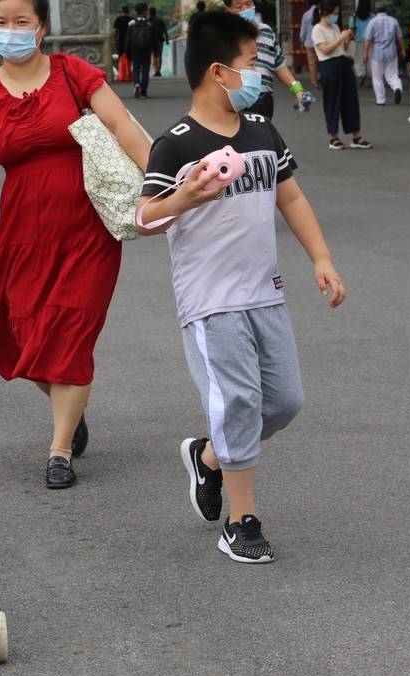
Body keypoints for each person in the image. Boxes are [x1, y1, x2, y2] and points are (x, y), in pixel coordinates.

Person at [137, 11, 346, 563]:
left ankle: (209, 458)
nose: (260, 74)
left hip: (265, 292)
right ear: (218, 71)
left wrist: (321, 258)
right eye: (252, 63)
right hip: (210, 301)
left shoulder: (261, 131)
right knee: (237, 401)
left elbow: (291, 198)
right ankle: (242, 520)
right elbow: (144, 217)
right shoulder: (176, 145)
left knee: (282, 402)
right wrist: (186, 198)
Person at [0, 0, 151, 489]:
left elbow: (124, 127)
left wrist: (163, 185)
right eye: (1, 22)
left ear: (41, 27)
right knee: (19, 332)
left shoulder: (72, 72)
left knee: (72, 328)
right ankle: (70, 402)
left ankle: (59, 451)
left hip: (88, 229)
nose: (11, 30)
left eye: (22, 21)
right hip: (22, 233)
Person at [223, 0, 305, 118]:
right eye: (239, 6)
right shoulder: (221, 35)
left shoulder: (266, 31)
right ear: (228, 10)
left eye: (249, 4)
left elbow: (279, 64)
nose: (245, 9)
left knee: (263, 135)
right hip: (236, 102)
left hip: (264, 101)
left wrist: (297, 89)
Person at [314, 0, 372, 149]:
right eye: (334, 13)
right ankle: (333, 137)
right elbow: (325, 49)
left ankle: (356, 136)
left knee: (351, 100)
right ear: (326, 13)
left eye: (337, 13)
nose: (336, 16)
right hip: (329, 65)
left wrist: (346, 39)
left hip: (343, 63)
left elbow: (341, 48)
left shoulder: (335, 27)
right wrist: (340, 37)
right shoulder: (317, 29)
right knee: (332, 102)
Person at [363, 1, 405, 105]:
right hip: (391, 51)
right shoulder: (393, 21)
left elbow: (368, 39)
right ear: (386, 9)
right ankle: (397, 88)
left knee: (377, 77)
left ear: (376, 10)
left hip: (377, 52)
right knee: (392, 75)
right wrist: (403, 49)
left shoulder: (372, 22)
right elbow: (400, 37)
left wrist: (365, 53)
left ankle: (381, 100)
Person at [127, 3, 154, 97]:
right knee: (146, 69)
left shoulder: (131, 23)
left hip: (135, 49)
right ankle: (143, 90)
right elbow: (153, 39)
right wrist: (154, 50)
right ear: (144, 11)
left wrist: (127, 51)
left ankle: (137, 83)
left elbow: (128, 39)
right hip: (146, 49)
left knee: (136, 68)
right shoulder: (149, 23)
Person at [353, 0, 375, 86]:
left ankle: (361, 75)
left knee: (359, 60)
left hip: (359, 41)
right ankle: (371, 76)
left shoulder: (354, 16)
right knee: (371, 59)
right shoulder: (373, 17)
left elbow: (352, 28)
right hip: (370, 41)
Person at [300, 4, 320, 87]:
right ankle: (323, 78)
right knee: (322, 61)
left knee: (312, 63)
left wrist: (301, 40)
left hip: (309, 41)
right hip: (320, 40)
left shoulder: (306, 14)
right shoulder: (321, 12)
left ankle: (314, 82)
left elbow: (303, 29)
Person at [150, 7, 170, 77]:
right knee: (159, 55)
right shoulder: (160, 20)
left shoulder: (148, 20)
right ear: (155, 12)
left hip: (151, 41)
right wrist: (167, 39)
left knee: (153, 56)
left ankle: (156, 70)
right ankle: (158, 70)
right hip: (159, 40)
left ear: (150, 12)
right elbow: (165, 30)